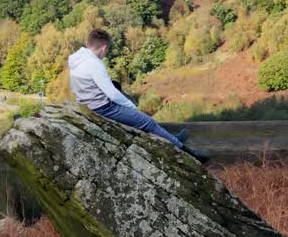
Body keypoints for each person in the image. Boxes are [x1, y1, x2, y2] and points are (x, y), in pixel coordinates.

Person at [69, 29, 209, 163]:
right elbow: (112, 94)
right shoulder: (94, 64)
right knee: (148, 122)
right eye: (107, 50)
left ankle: (173, 139)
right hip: (104, 108)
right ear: (104, 47)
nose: (106, 54)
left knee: (136, 112)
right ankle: (189, 154)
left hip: (88, 104)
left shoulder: (77, 60)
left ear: (88, 43)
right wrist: (131, 107)